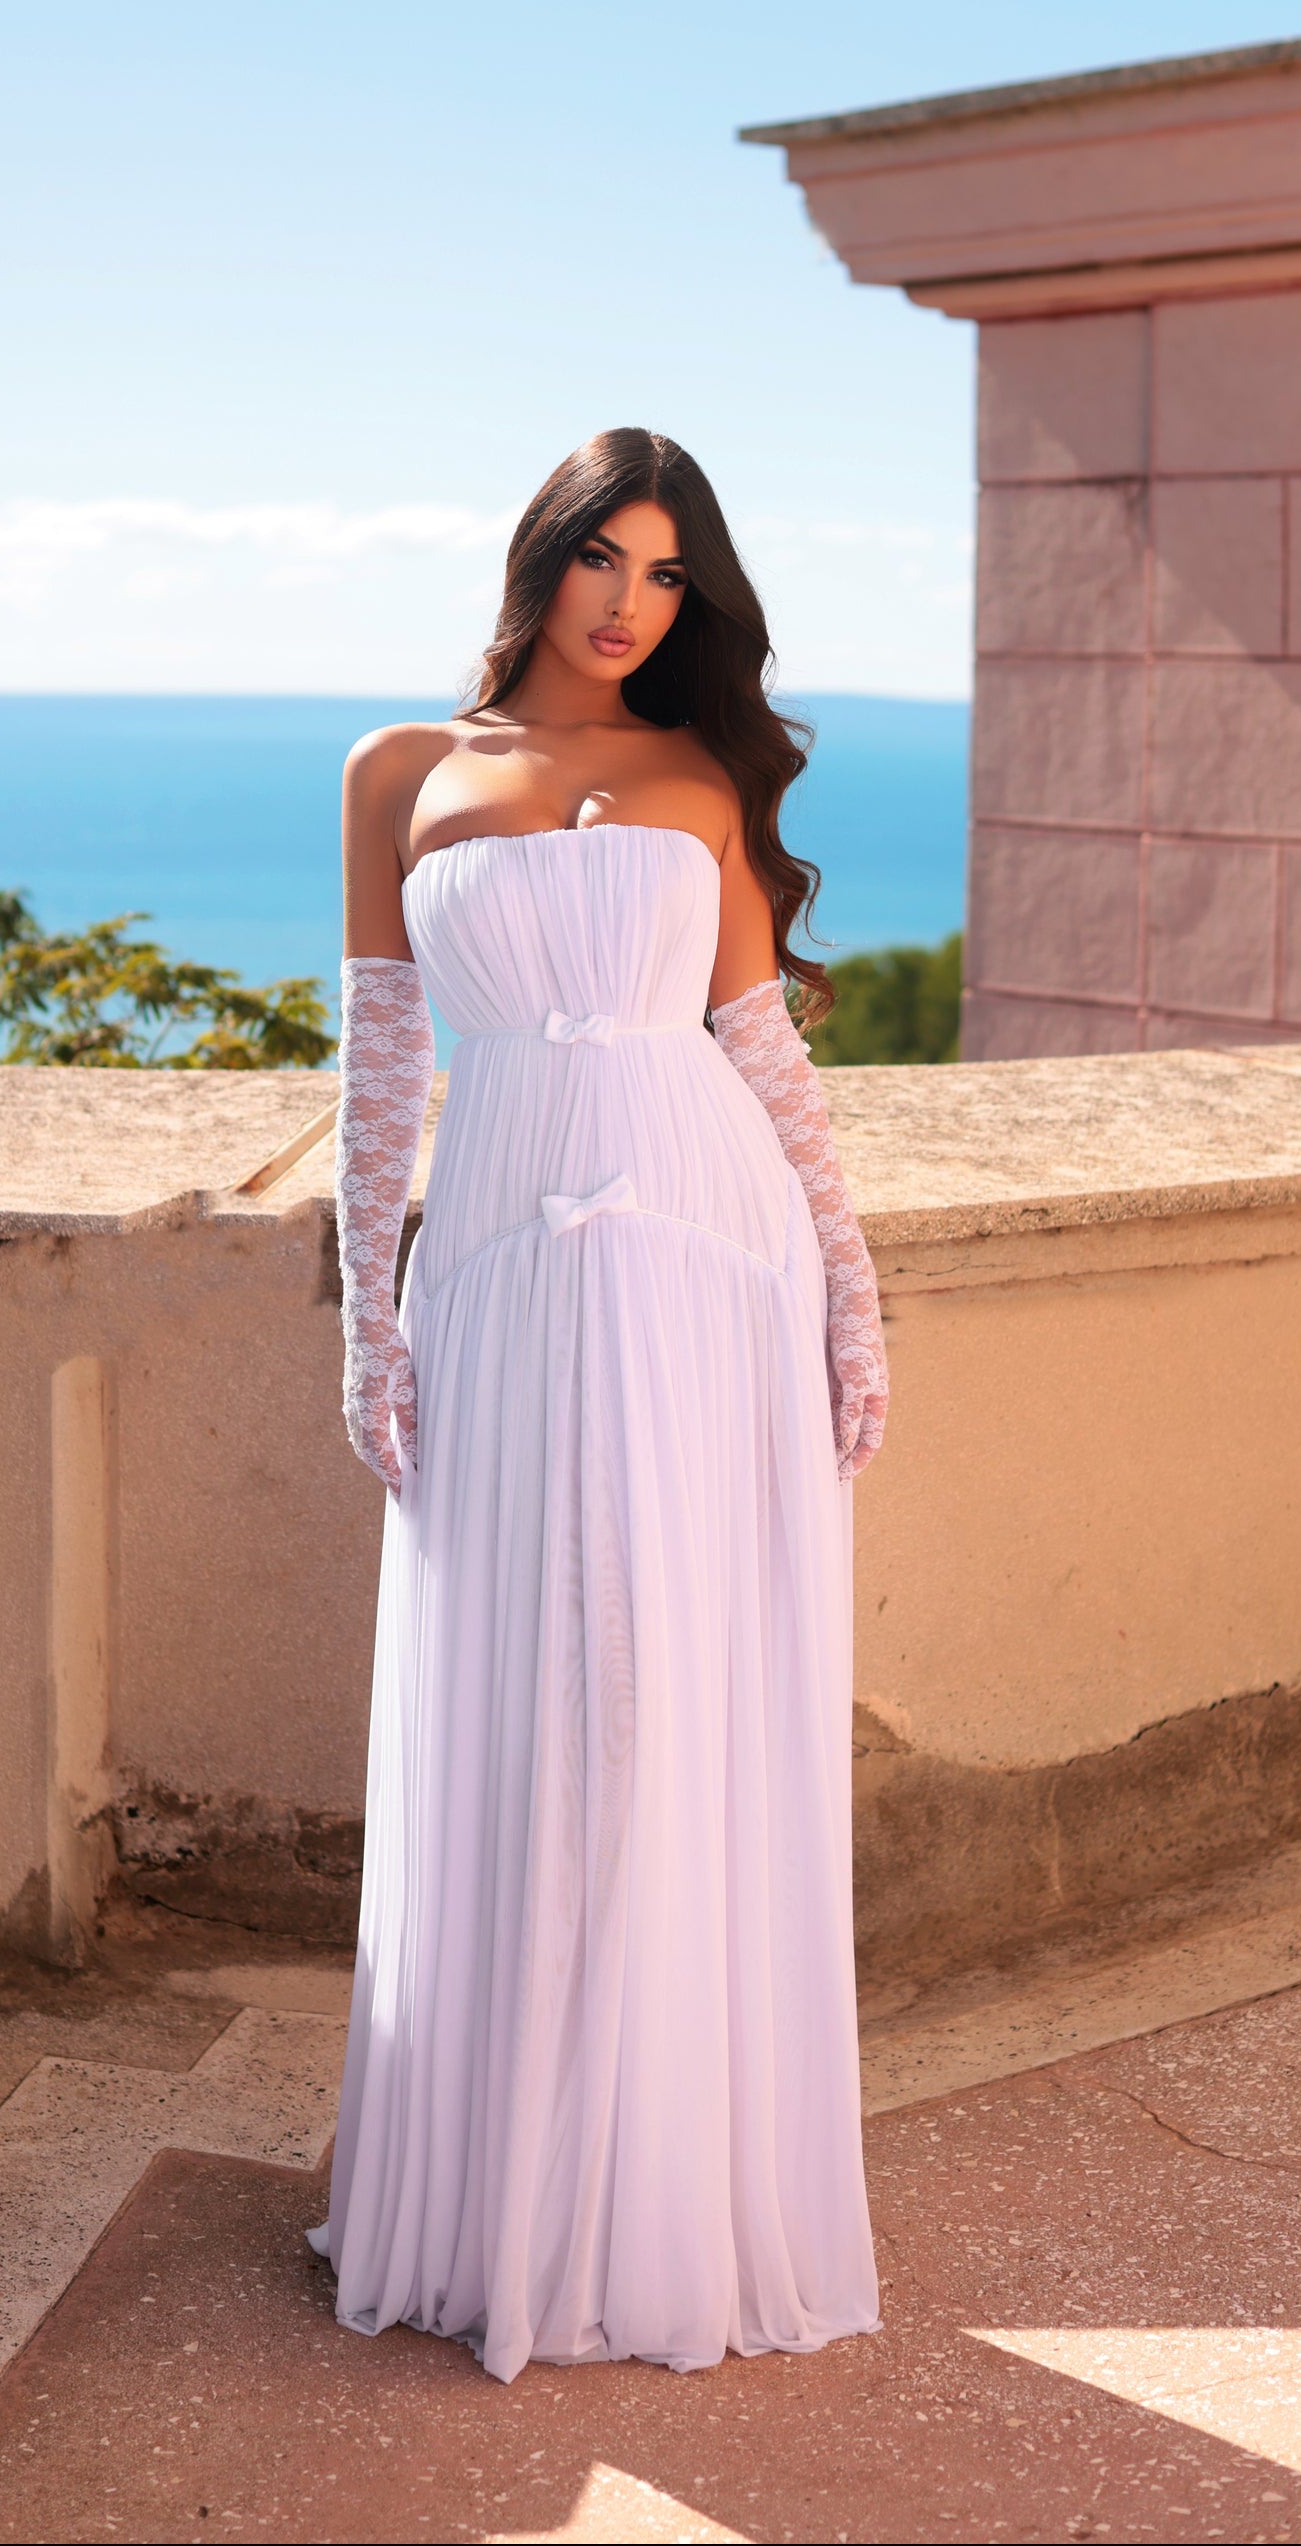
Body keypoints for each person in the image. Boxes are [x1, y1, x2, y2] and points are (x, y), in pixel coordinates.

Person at [309, 427, 887, 2384]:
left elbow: (752, 1042)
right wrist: (360, 1314)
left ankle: (656, 2182)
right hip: (488, 1267)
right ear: (541, 561)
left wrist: (849, 1276)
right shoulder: (400, 774)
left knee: (662, 1696)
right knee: (516, 1697)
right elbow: (382, 1067)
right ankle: (499, 2186)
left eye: (664, 575)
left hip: (700, 1256)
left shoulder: (701, 780)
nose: (629, 603)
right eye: (601, 561)